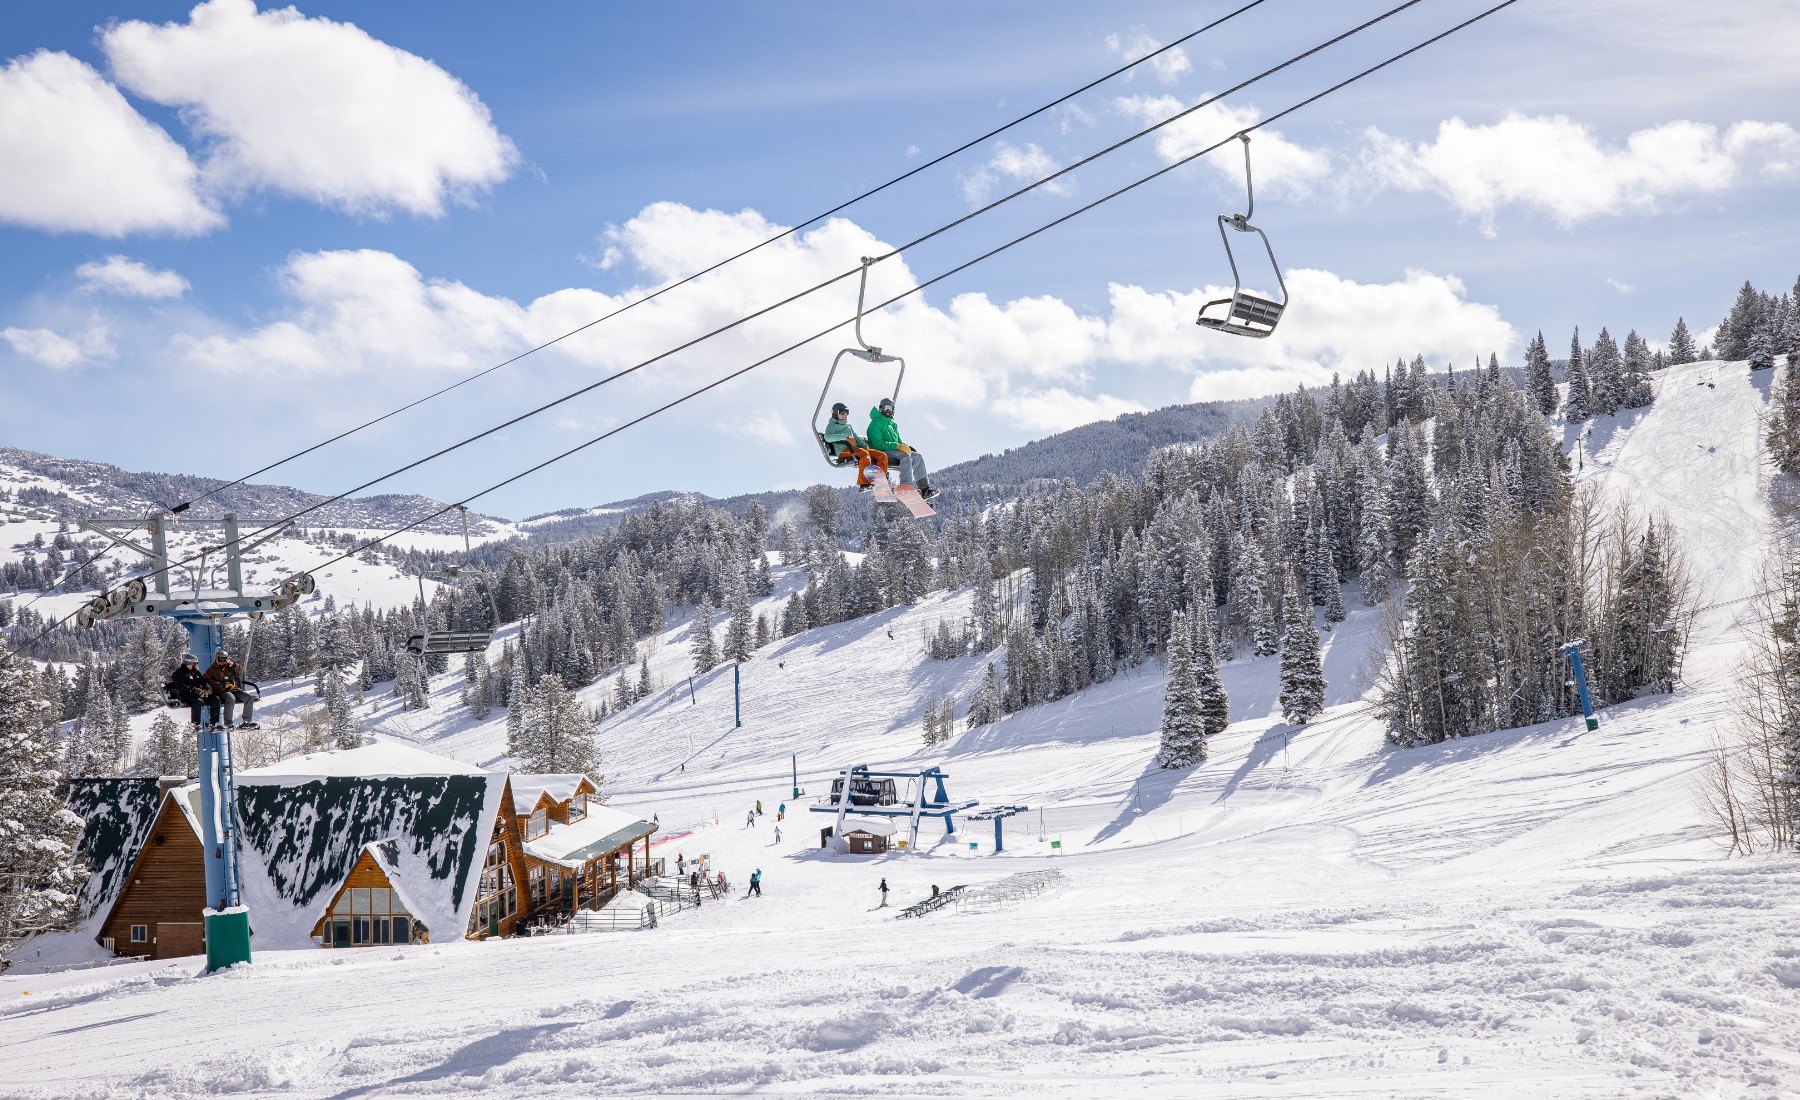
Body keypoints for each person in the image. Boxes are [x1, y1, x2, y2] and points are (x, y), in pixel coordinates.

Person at [866, 397, 937, 499]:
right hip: (881, 452)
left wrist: (904, 446)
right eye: (886, 408)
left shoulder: (892, 424)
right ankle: (905, 487)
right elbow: (878, 444)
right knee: (905, 456)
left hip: (894, 451)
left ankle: (924, 489)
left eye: (890, 408)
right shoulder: (875, 423)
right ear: (881, 409)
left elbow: (899, 441)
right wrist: (897, 446)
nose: (888, 411)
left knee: (917, 457)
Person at [821, 401, 889, 490]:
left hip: (855, 449)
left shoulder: (848, 426)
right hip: (843, 450)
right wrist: (845, 437)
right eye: (842, 413)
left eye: (846, 413)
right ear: (835, 414)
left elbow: (855, 438)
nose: (845, 415)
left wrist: (864, 445)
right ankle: (863, 483)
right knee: (864, 454)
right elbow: (827, 437)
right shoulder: (832, 425)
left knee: (882, 455)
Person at [205, 649, 258, 730]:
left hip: (233, 689)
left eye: (224, 660)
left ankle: (246, 721)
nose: (222, 662)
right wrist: (224, 685)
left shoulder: (229, 667)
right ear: (216, 660)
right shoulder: (212, 670)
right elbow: (210, 682)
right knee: (231, 698)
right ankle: (228, 723)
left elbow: (240, 672)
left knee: (249, 698)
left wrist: (234, 665)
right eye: (220, 660)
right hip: (221, 690)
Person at [165, 653, 219, 732]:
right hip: (186, 695)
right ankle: (195, 724)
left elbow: (203, 682)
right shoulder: (179, 673)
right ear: (188, 663)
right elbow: (181, 687)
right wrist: (195, 690)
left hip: (198, 694)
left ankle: (214, 723)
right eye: (193, 663)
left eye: (195, 664)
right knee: (198, 701)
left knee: (215, 699)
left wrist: (206, 690)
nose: (194, 665)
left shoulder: (196, 672)